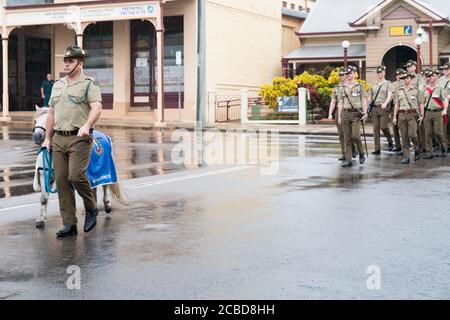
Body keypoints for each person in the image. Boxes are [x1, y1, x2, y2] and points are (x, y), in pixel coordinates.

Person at [41, 45, 103, 238]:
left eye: (70, 61)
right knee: (60, 181)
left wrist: (87, 125)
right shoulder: (58, 85)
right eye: (65, 61)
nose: (66, 65)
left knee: (75, 176)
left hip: (79, 138)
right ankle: (69, 223)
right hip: (59, 138)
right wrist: (47, 138)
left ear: (80, 63)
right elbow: (51, 113)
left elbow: (97, 108)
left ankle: (91, 208)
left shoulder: (89, 84)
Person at [338, 66, 368, 168]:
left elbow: (364, 100)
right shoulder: (343, 87)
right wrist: (339, 116)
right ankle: (348, 159)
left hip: (356, 114)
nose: (349, 76)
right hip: (345, 113)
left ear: (355, 74)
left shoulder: (360, 86)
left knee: (355, 136)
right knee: (347, 138)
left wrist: (365, 112)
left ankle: (361, 152)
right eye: (347, 74)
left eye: (351, 73)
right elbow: (341, 102)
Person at [392, 71, 424, 164]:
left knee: (412, 134)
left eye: (407, 78)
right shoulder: (399, 91)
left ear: (411, 79)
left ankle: (417, 148)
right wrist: (394, 117)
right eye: (404, 79)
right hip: (402, 115)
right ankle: (406, 156)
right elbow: (396, 105)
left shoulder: (416, 90)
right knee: (404, 136)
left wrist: (422, 115)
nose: (405, 80)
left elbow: (421, 104)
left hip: (412, 114)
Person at [422, 69, 449, 159]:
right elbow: (422, 102)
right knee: (428, 133)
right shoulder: (425, 89)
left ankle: (444, 148)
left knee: (438, 132)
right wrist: (422, 114)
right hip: (428, 112)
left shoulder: (440, 88)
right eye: (429, 76)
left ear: (436, 77)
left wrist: (445, 109)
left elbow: (445, 99)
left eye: (432, 76)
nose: (431, 78)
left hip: (438, 112)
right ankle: (429, 152)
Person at [368, 65, 393, 154]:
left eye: (381, 72)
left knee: (383, 126)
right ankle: (377, 148)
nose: (380, 74)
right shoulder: (373, 84)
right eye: (378, 73)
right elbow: (370, 96)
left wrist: (386, 103)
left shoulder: (388, 83)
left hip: (383, 108)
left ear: (384, 73)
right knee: (375, 128)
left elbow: (390, 95)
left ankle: (390, 140)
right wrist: (368, 107)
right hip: (375, 108)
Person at [439, 62, 450, 151]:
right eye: (444, 69)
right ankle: (445, 145)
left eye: (447, 69)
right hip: (442, 105)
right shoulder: (440, 79)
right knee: (444, 125)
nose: (445, 71)